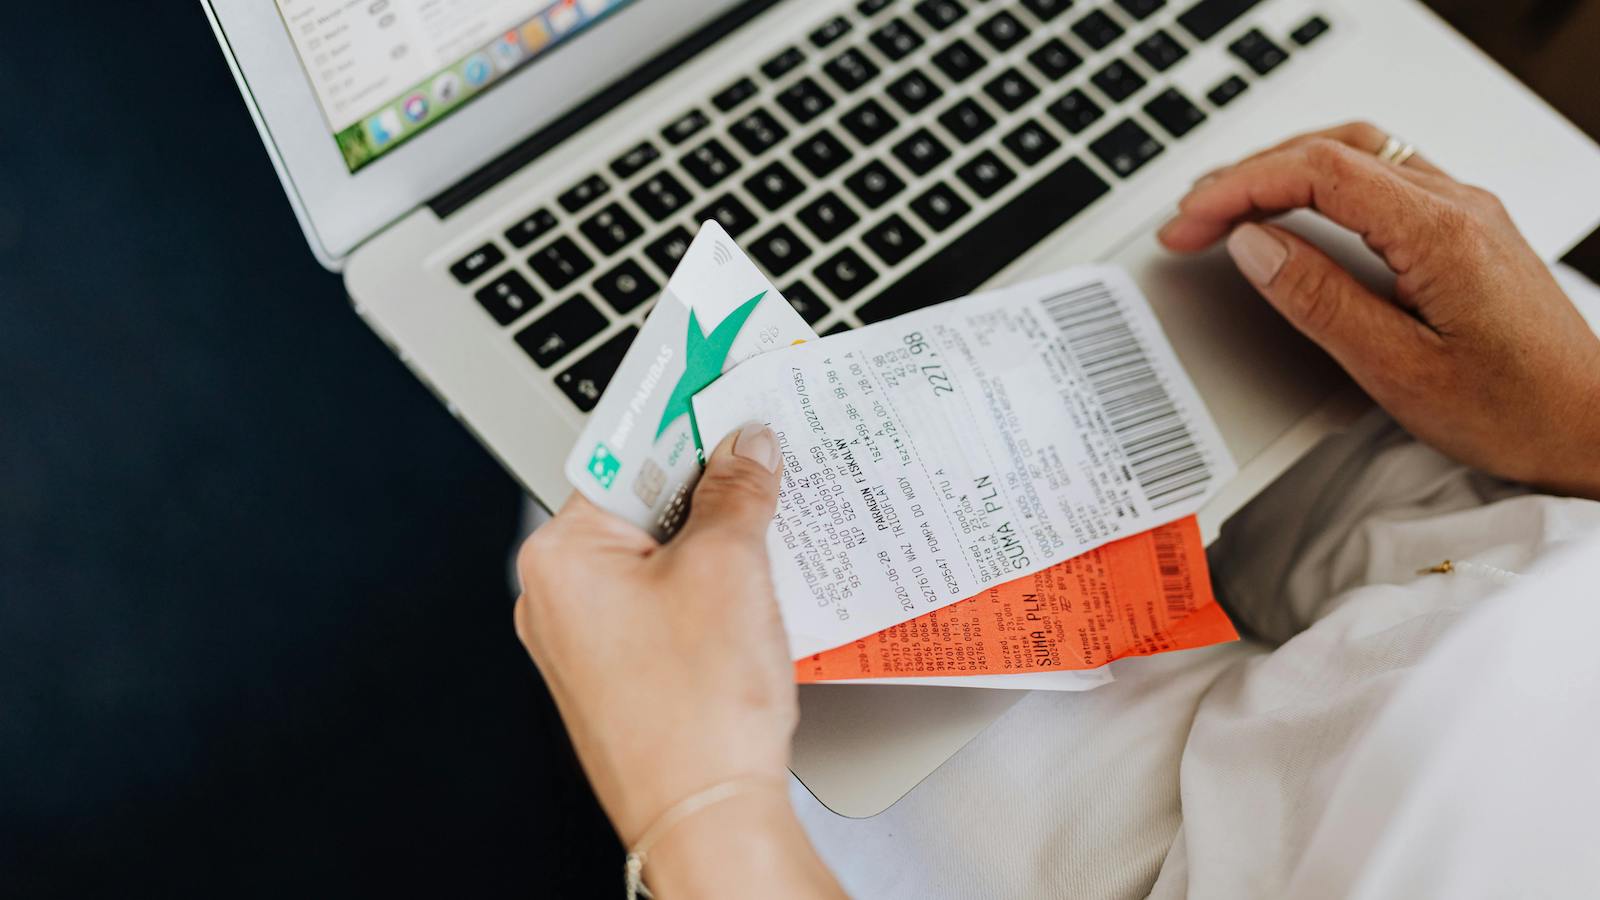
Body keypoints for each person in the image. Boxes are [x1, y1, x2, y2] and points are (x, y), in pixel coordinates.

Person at [513, 123, 1600, 899]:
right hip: (1556, 546)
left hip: (1208, 865)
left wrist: (699, 807)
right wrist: (1578, 423)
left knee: (577, 521)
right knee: (1235, 315)